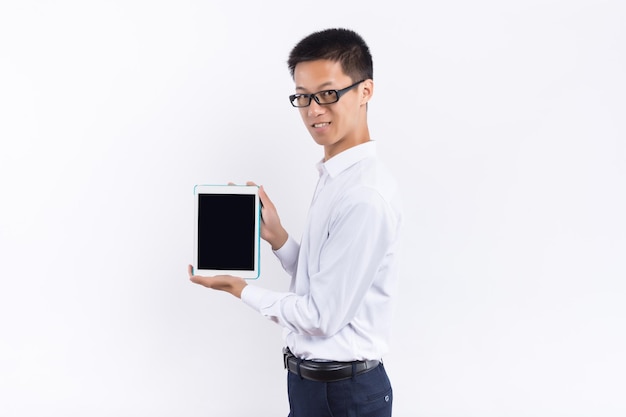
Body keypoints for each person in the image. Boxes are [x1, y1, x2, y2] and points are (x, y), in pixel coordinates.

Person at [188, 27, 402, 417]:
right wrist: (280, 239)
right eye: (303, 97)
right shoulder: (336, 176)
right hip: (313, 388)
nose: (313, 109)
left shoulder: (364, 196)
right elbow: (325, 279)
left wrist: (240, 289)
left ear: (365, 91)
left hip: (344, 394)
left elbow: (320, 317)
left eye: (327, 94)